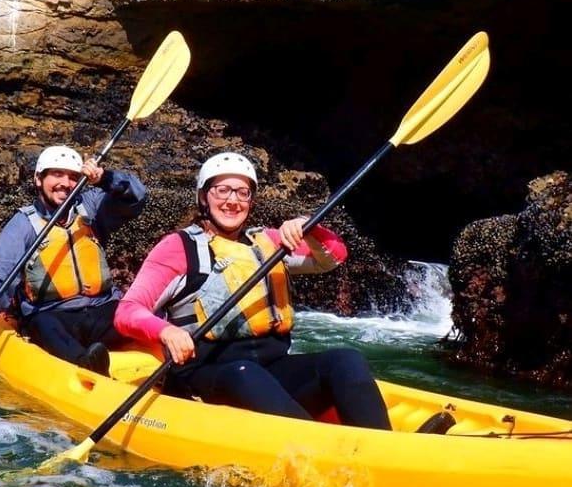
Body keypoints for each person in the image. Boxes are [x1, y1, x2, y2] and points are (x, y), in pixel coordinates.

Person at [114, 151, 392, 429]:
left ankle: (384, 446)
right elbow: (127, 311)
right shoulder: (179, 248)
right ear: (203, 196)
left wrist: (310, 228)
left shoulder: (268, 242)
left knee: (345, 360)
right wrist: (165, 331)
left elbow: (333, 256)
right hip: (204, 380)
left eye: (242, 192)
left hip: (270, 372)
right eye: (222, 190)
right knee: (243, 374)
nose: (232, 200)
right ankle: (318, 450)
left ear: (251, 200)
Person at [0, 145, 147, 375]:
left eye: (73, 177)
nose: (65, 183)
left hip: (102, 310)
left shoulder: (91, 208)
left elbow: (137, 197)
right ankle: (86, 366)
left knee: (140, 315)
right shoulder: (23, 225)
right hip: (54, 317)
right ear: (38, 179)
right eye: (57, 174)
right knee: (43, 323)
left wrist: (104, 178)